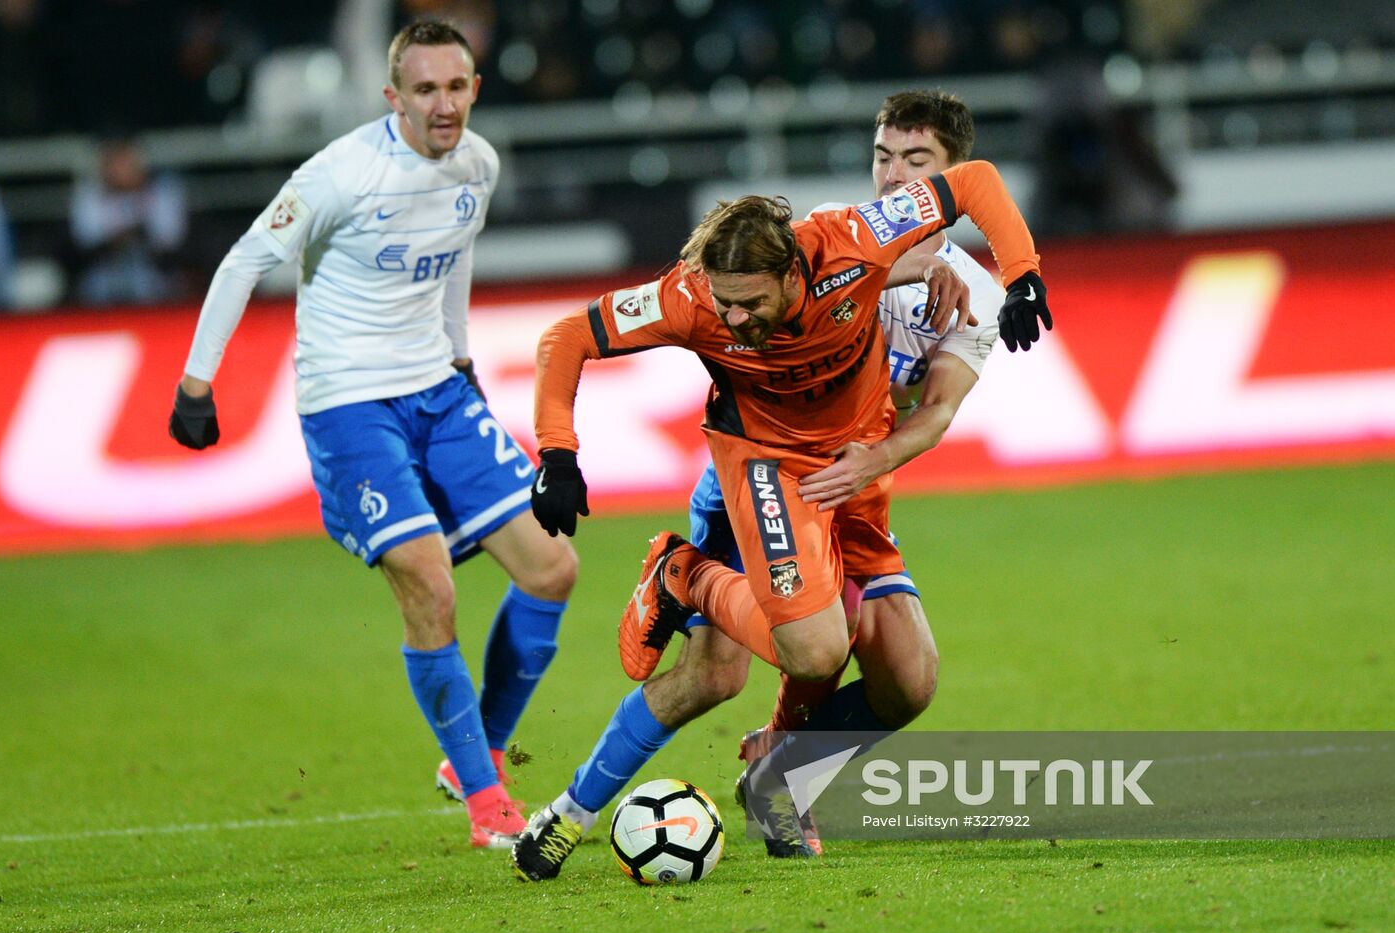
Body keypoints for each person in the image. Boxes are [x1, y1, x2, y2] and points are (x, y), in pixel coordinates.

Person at [511, 92, 1051, 878]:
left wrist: (1020, 275)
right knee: (725, 672)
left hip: (853, 480)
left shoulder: (893, 263)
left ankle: (775, 774)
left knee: (909, 679)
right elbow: (568, 335)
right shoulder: (791, 253)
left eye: (916, 163)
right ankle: (575, 802)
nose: (894, 178)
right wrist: (557, 451)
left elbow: (936, 410)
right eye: (884, 157)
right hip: (763, 471)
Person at [166, 20, 577, 848]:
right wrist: (195, 382)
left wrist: (460, 359)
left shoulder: (478, 165)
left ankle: (479, 752)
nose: (444, 104)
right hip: (349, 402)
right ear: (393, 97)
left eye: (457, 87)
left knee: (553, 567)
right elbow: (247, 258)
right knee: (430, 584)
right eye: (425, 90)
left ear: (475, 90)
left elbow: (454, 258)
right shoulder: (340, 172)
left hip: (436, 388)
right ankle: (487, 802)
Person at [69, 136, 189, 305]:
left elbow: (171, 243)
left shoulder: (163, 190)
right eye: (114, 163)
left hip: (155, 281)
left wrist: (138, 235)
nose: (120, 169)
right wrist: (120, 239)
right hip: (102, 284)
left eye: (126, 162)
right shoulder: (91, 193)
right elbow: (84, 242)